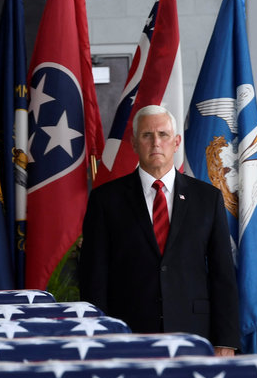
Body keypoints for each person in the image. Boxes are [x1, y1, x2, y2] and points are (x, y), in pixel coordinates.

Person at [79, 105, 240, 355]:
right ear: (134, 143)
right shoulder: (106, 200)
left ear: (176, 142)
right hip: (127, 335)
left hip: (194, 333)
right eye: (147, 135)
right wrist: (99, 336)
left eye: (163, 135)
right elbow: (94, 277)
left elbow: (223, 274)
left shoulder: (207, 198)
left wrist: (226, 340)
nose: (156, 142)